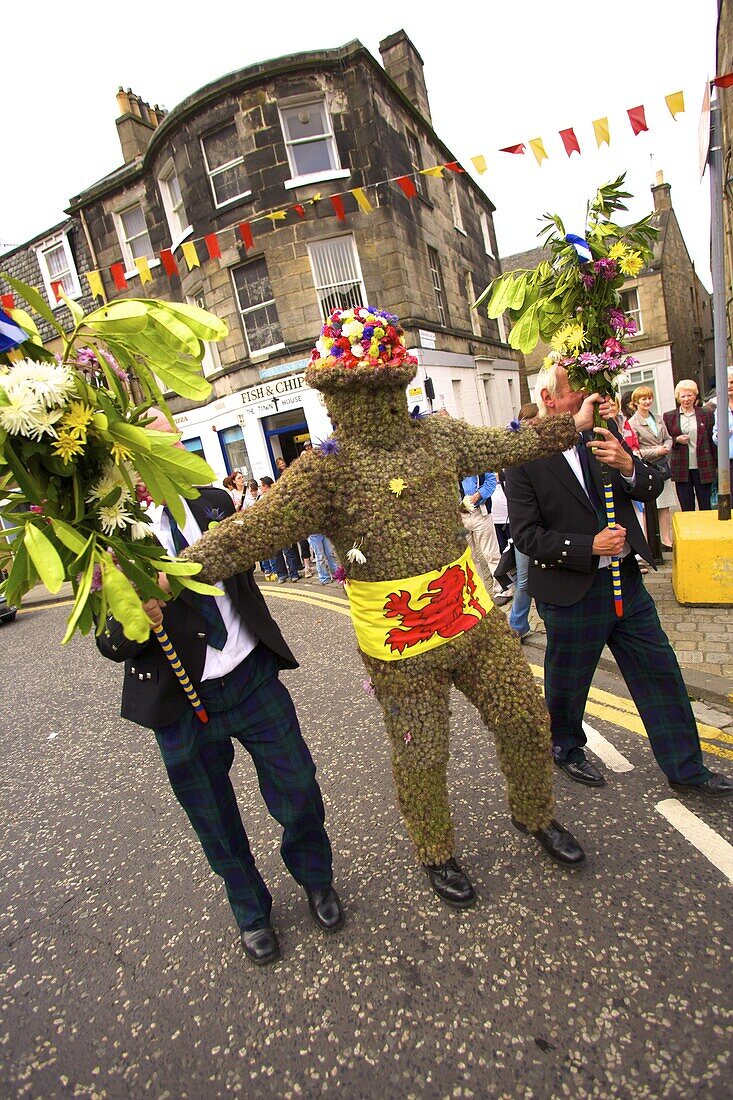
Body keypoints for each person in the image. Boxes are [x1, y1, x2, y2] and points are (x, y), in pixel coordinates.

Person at [169, 305, 612, 912]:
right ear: (331, 395)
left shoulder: (439, 435)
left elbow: (508, 442)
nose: (372, 404)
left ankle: (534, 814)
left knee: (524, 719)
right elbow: (246, 535)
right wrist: (169, 576)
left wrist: (570, 425)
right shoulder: (324, 470)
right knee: (421, 754)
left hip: (472, 617)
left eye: (383, 388)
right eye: (358, 393)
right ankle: (436, 851)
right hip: (400, 646)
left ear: (400, 382)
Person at [96, 415, 343, 966]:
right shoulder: (108, 536)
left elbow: (255, 547)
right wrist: (135, 614)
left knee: (299, 788)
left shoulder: (213, 502)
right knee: (213, 817)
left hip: (251, 675)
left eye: (173, 439)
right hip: (180, 702)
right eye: (153, 443)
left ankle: (314, 877)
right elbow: (108, 641)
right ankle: (250, 909)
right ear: (129, 455)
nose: (169, 450)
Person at [505, 362, 732, 800]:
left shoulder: (601, 436)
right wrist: (590, 545)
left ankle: (687, 768)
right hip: (572, 594)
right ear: (551, 399)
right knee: (568, 685)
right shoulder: (524, 456)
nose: (589, 397)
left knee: (660, 673)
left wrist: (629, 463)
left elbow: (649, 488)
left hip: (627, 586)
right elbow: (527, 537)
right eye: (577, 391)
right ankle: (566, 745)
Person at [627, 386, 675, 550]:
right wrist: (656, 450)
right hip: (648, 467)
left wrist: (667, 446)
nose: (647, 402)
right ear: (636, 402)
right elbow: (635, 450)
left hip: (663, 465)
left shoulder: (658, 418)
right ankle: (651, 544)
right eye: (643, 399)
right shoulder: (632, 423)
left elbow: (668, 438)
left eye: (649, 398)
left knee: (666, 505)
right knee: (651, 509)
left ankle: (666, 539)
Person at [506, 403, 538, 642]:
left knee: (528, 579)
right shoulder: (517, 455)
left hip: (540, 528)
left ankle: (517, 625)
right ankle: (515, 626)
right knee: (525, 579)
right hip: (526, 529)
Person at [663, 380, 716, 512]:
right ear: (678, 397)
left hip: (703, 466)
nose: (686, 399)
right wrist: (677, 440)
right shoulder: (669, 417)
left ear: (695, 395)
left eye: (689, 395)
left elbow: (711, 439)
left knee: (706, 506)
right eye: (683, 396)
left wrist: (717, 465)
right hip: (681, 467)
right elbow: (666, 439)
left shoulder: (706, 413)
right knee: (687, 507)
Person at [459, 471, 511, 605]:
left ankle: (503, 589)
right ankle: (477, 593)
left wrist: (477, 496)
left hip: (480, 513)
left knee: (491, 553)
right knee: (470, 558)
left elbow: (490, 481)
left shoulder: (476, 461)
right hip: (459, 518)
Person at [259, 477, 300, 583]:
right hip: (271, 530)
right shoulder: (261, 499)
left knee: (288, 552)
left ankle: (294, 573)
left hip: (282, 528)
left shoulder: (278, 495)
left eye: (260, 485)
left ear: (266, 486)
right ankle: (282, 574)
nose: (260, 488)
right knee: (276, 554)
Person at [712, 366, 733, 487]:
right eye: (727, 383)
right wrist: (719, 435)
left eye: (732, 382)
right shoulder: (720, 408)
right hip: (728, 461)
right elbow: (715, 437)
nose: (729, 386)